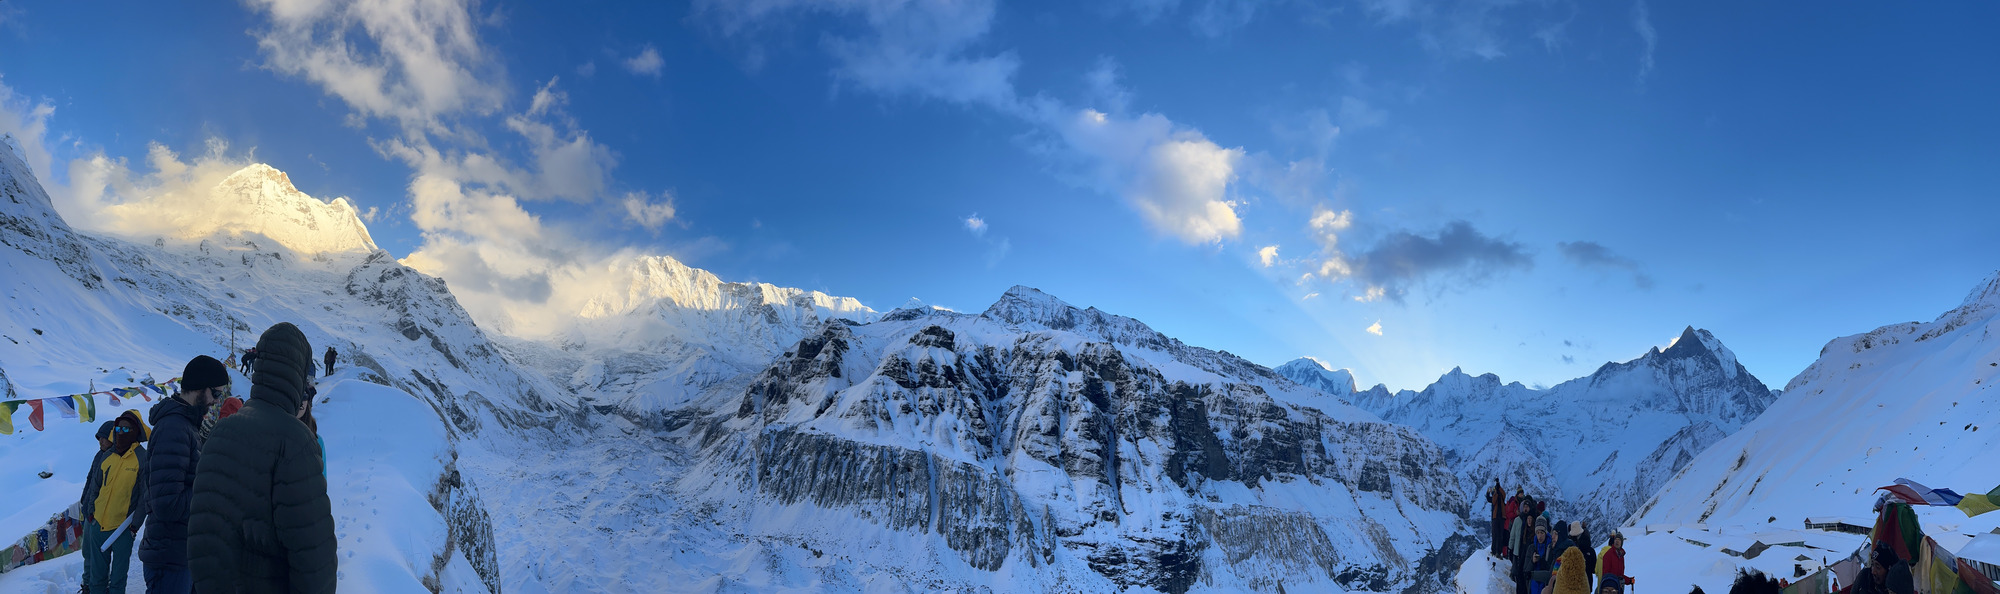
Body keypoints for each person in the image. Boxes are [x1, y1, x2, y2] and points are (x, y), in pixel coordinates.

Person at [188, 323, 336, 593]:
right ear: (297, 374)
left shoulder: (222, 431)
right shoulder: (296, 441)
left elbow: (201, 530)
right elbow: (314, 558)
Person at [140, 354, 230, 594]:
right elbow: (167, 504)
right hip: (170, 559)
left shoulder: (186, 426)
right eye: (216, 393)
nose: (216, 401)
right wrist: (210, 486)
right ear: (200, 387)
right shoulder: (174, 428)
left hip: (180, 553)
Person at [81, 410, 149, 594]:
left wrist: (133, 527)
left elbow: (144, 497)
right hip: (98, 525)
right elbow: (95, 486)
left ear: (135, 431)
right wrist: (91, 513)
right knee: (97, 578)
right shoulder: (107, 455)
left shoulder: (142, 458)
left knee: (118, 580)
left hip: (123, 530)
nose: (121, 432)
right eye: (118, 428)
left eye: (126, 429)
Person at [1489, 480, 1508, 556]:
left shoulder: (1502, 496)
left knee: (1500, 535)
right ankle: (1494, 550)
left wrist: (1498, 486)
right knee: (1495, 534)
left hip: (1501, 517)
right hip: (1496, 517)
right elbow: (1493, 501)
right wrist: (1495, 492)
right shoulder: (1495, 496)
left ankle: (1498, 551)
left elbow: (1504, 494)